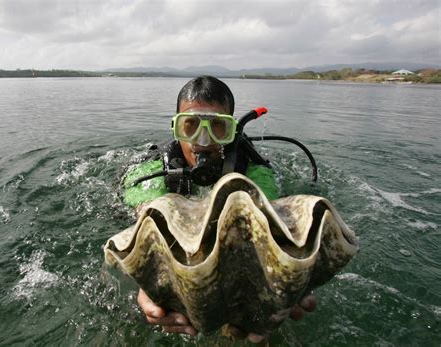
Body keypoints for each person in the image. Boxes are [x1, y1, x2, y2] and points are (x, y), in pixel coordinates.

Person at [121, 76, 317, 343]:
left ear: (233, 130)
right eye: (190, 126)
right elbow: (147, 219)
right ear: (176, 127)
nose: (203, 140)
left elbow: (266, 222)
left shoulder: (257, 172)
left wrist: (287, 277)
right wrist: (151, 279)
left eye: (218, 127)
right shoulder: (153, 170)